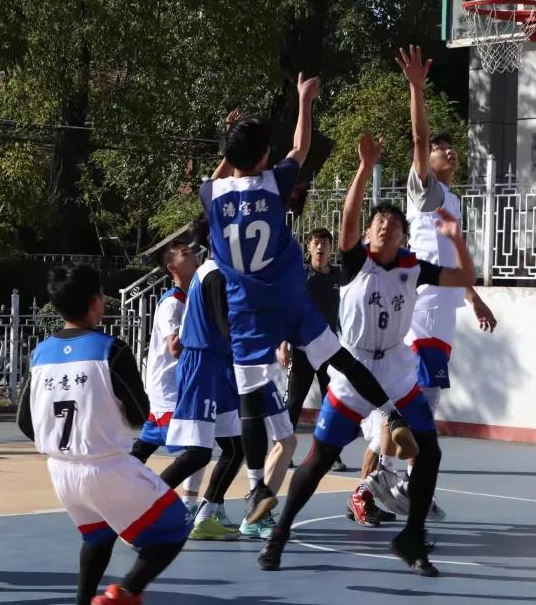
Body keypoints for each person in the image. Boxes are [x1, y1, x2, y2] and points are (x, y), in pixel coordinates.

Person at [201, 75, 418, 525]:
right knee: (341, 358)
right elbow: (300, 147)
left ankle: (257, 486)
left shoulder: (211, 194)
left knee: (250, 403)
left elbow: (220, 176)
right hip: (287, 296)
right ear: (266, 155)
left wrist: (230, 146)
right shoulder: (274, 183)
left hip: (246, 310)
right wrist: (304, 100)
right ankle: (391, 413)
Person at [258, 133, 475, 577]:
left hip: (396, 367)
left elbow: (464, 277)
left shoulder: (413, 267)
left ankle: (412, 536)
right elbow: (348, 217)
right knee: (320, 458)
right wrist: (364, 168)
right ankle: (280, 532)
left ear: (403, 236)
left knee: (430, 452)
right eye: (377, 222)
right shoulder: (357, 260)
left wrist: (457, 239)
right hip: (353, 368)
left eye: (392, 224)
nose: (383, 227)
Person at [368, 46, 499, 518]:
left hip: (444, 312)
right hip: (421, 309)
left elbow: (448, 259)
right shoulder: (425, 191)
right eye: (442, 147)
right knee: (416, 400)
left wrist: (473, 297)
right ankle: (388, 477)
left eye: (451, 146)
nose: (448, 150)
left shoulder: (452, 202)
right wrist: (416, 89)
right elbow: (419, 137)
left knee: (427, 399)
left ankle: (396, 479)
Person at [17, 265, 191, 605]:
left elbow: (25, 422)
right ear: (96, 302)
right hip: (106, 466)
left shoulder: (40, 355)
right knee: (176, 527)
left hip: (61, 471)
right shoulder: (111, 349)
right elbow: (140, 413)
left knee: (98, 536)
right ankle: (126, 591)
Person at [154, 217, 252, 541]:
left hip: (217, 365)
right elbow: (227, 327)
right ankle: (141, 511)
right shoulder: (213, 275)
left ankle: (206, 515)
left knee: (235, 448)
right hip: (202, 366)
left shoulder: (218, 272)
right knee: (197, 453)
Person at [128, 238, 205, 515]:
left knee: (142, 450)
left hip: (178, 387)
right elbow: (174, 347)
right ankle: (158, 506)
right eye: (185, 253)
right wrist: (202, 331)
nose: (193, 255)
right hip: (169, 391)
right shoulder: (172, 303)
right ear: (172, 267)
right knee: (197, 449)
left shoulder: (191, 299)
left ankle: (114, 490)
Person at [283, 227, 348, 473]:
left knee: (332, 402)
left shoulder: (339, 276)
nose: (320, 247)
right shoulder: (299, 275)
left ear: (331, 248)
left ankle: (332, 455)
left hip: (329, 349)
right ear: (309, 247)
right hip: (302, 348)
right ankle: (284, 452)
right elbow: (287, 308)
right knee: (293, 402)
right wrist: (283, 342)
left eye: (325, 243)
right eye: (316, 243)